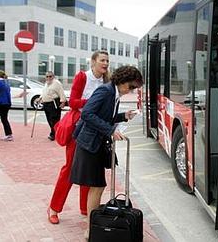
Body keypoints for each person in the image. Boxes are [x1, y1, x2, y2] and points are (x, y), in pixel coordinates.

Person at [70, 65, 143, 238]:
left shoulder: (113, 92)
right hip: (90, 144)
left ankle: (91, 227)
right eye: (131, 86)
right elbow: (87, 113)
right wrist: (110, 130)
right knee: (97, 185)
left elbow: (104, 116)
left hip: (96, 143)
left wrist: (123, 116)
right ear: (122, 80)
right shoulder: (105, 91)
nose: (130, 90)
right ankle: (91, 229)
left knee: (97, 186)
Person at [47, 50, 110, 225]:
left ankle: (85, 207)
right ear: (93, 61)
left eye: (107, 60)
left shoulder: (106, 81)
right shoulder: (83, 77)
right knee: (70, 169)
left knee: (88, 170)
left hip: (95, 129)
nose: (105, 63)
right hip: (79, 127)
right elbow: (72, 102)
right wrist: (93, 101)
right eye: (102, 60)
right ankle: (53, 208)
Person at [40, 71, 67, 141]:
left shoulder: (57, 83)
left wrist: (63, 102)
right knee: (49, 120)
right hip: (46, 104)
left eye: (50, 76)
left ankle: (54, 134)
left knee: (54, 120)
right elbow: (44, 92)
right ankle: (55, 133)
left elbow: (61, 93)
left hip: (54, 104)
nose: (48, 78)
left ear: (53, 76)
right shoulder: (46, 84)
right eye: (47, 76)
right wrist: (40, 98)